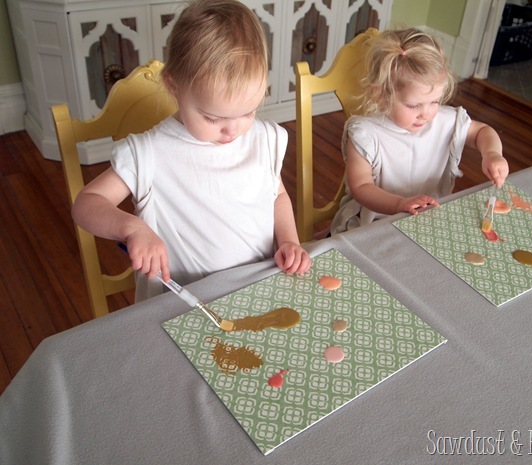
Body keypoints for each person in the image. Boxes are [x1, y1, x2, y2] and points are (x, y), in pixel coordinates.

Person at [72, 0, 311, 302]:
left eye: (248, 111)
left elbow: (275, 196)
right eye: (213, 117)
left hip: (257, 291)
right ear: (174, 86)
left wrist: (288, 240)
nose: (233, 130)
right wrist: (131, 228)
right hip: (181, 304)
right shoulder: (150, 153)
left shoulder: (262, 139)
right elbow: (86, 203)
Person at [330, 28, 509, 235]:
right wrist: (400, 204)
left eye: (434, 101)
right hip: (373, 225)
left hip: (428, 223)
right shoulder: (365, 135)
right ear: (381, 95)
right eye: (414, 106)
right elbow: (361, 188)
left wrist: (492, 154)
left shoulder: (445, 121)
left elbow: (482, 132)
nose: (426, 114)